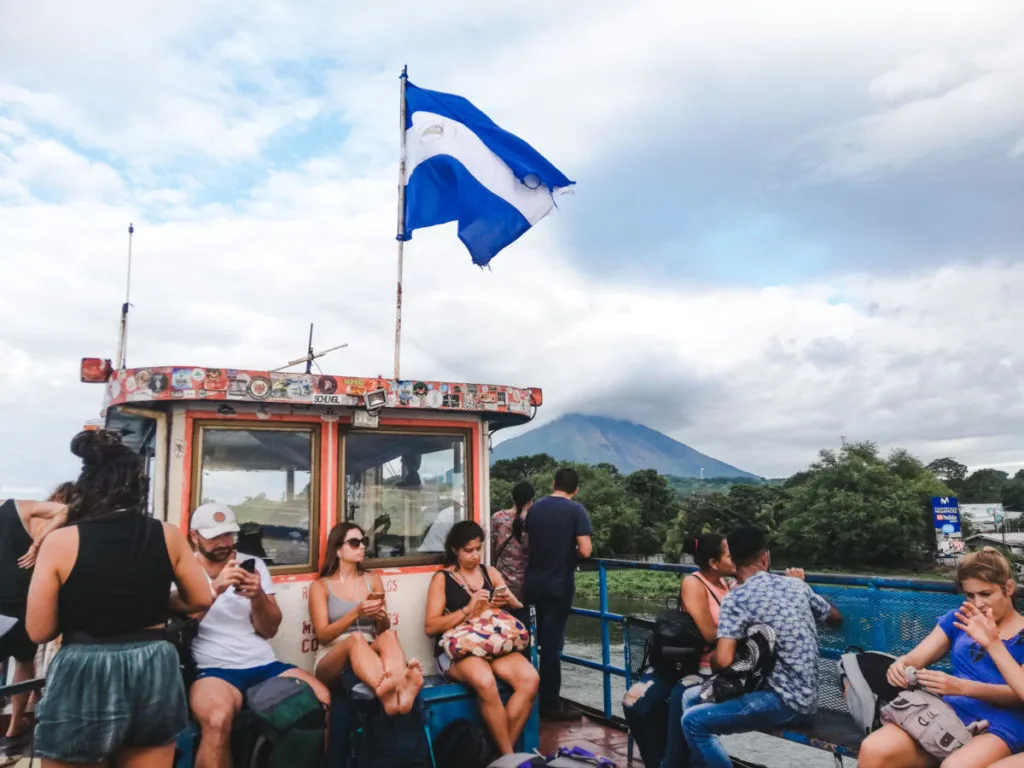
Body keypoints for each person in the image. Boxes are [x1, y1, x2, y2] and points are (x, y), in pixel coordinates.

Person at [25, 430, 212, 767]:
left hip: (84, 667)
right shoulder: (166, 534)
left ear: (87, 485)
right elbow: (200, 599)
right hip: (154, 665)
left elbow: (39, 631)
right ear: (139, 486)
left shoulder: (60, 542)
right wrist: (165, 602)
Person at [179, 502, 330, 768]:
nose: (224, 543)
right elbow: (179, 630)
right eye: (215, 537)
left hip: (263, 663)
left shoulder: (254, 565)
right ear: (195, 536)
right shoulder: (184, 570)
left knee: (322, 699)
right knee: (217, 720)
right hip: (214, 669)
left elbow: (269, 629)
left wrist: (258, 595)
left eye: (229, 535)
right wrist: (214, 591)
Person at [681, 526, 842, 768]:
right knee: (690, 697)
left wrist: (726, 656)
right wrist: (799, 589)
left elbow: (722, 662)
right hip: (806, 697)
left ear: (733, 562)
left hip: (784, 703)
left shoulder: (737, 598)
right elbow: (835, 618)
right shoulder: (795, 586)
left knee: (693, 722)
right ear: (765, 557)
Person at [859, 547, 1024, 768]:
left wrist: (962, 686)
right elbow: (916, 657)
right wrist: (901, 665)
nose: (977, 604)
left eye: (985, 594)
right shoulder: (959, 619)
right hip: (949, 711)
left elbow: (1018, 695)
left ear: (1009, 588)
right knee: (874, 749)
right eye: (969, 595)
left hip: (1003, 721)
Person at [424, 521, 539, 755]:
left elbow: (518, 607)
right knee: (485, 682)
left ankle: (496, 756)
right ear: (455, 549)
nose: (475, 556)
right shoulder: (442, 579)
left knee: (530, 679)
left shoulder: (490, 573)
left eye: (478, 549)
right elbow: (430, 626)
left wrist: (506, 600)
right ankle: (507, 757)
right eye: (469, 550)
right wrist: (468, 609)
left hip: (491, 645)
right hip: (457, 649)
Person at [624, 533, 736, 768]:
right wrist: (735, 631)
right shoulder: (693, 583)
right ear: (713, 563)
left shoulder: (728, 584)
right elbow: (708, 633)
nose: (735, 557)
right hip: (682, 662)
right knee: (634, 703)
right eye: (729, 554)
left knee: (680, 700)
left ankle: (673, 762)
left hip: (707, 668)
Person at [309, 522, 423, 714]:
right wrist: (356, 613)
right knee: (355, 639)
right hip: (331, 656)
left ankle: (400, 691)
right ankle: (389, 689)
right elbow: (322, 636)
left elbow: (381, 631)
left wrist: (380, 617)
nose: (362, 546)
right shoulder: (320, 586)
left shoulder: (372, 579)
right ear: (338, 550)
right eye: (354, 543)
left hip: (368, 648)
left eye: (364, 541)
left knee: (389, 636)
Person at [0, 483, 71, 754]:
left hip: (13, 600)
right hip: (21, 598)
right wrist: (37, 543)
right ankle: (15, 723)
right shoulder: (19, 508)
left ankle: (13, 722)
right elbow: (64, 510)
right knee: (24, 663)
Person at [523, 468, 592, 720]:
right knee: (551, 647)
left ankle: (525, 693)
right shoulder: (576, 511)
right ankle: (550, 703)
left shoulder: (536, 508)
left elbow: (528, 545)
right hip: (557, 586)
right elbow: (585, 550)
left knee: (529, 641)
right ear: (576, 489)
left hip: (532, 583)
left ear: (553, 483)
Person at [490, 482, 534, 626]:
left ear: (512, 498)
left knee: (502, 628)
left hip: (501, 585)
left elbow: (492, 548)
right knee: (524, 629)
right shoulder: (533, 520)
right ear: (531, 500)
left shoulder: (498, 518)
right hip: (526, 585)